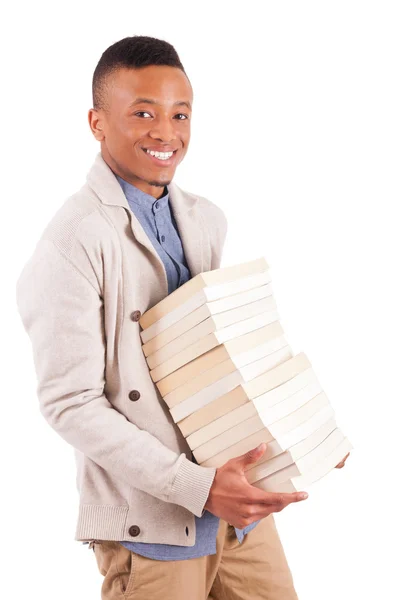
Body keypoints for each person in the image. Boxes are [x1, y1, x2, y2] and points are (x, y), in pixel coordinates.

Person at [15, 35, 349, 600]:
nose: (165, 132)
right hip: (154, 527)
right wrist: (197, 487)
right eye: (142, 113)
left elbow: (219, 363)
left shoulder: (205, 219)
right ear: (97, 123)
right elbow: (70, 403)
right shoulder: (73, 241)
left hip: (239, 512)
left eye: (179, 114)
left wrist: (301, 436)